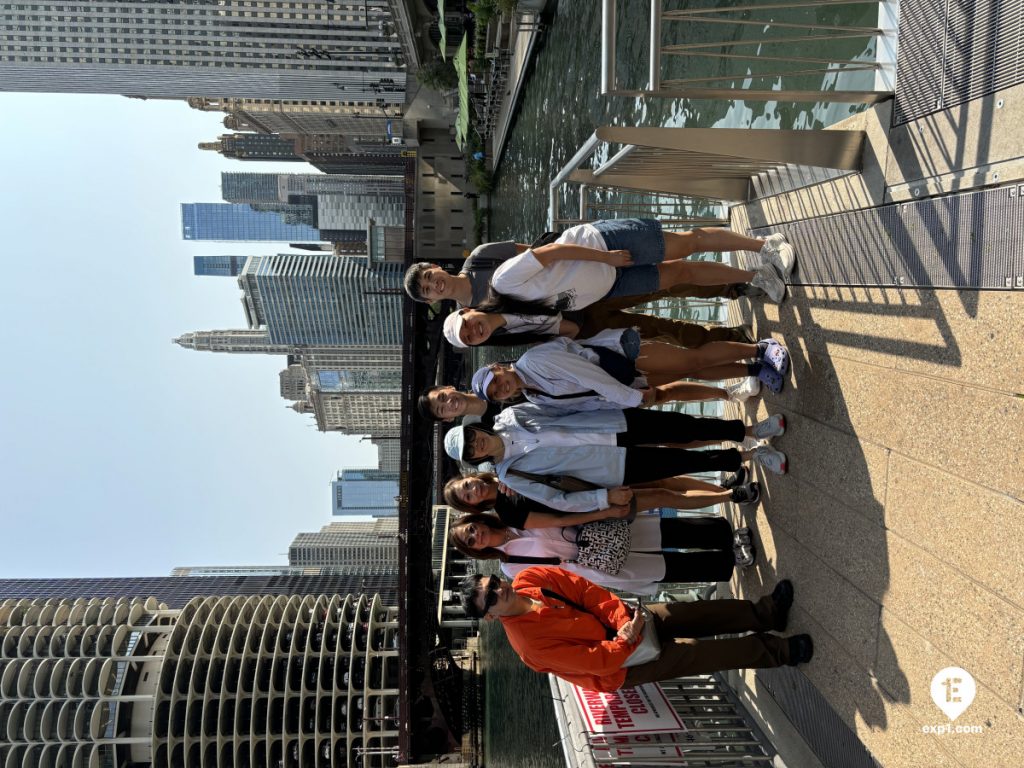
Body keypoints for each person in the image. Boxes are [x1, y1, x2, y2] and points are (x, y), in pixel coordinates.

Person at [403, 224, 782, 347]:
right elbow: (525, 331)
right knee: (652, 328)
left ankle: (738, 284)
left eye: (428, 278)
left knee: (672, 281)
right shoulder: (470, 326)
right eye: (426, 291)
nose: (433, 286)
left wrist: (594, 260)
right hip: (575, 308)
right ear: (429, 302)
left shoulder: (483, 259)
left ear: (435, 267)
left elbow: (536, 251)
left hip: (583, 269)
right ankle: (733, 337)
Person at [458, 568, 813, 692]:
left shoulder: (527, 579)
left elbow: (583, 590)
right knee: (699, 654)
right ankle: (781, 653)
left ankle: (767, 613)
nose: (496, 590)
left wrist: (621, 620)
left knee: (697, 613)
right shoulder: (527, 645)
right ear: (489, 617)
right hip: (620, 666)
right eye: (488, 599)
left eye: (490, 584)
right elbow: (591, 662)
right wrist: (626, 640)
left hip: (621, 619)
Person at [443, 404, 789, 512]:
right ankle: (751, 455)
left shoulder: (511, 416)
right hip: (609, 466)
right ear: (476, 461)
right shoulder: (510, 475)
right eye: (471, 451)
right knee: (684, 464)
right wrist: (602, 497)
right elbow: (558, 500)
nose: (478, 444)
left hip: (613, 422)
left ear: (477, 428)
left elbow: (559, 404)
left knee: (683, 426)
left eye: (472, 437)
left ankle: (749, 430)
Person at [448, 505, 753, 593]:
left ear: (477, 519)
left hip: (592, 529)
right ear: (476, 550)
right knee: (662, 568)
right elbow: (553, 581)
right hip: (588, 566)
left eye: (472, 528)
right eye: (471, 540)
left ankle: (726, 534)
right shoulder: (509, 566)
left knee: (661, 532)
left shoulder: (510, 515)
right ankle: (728, 563)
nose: (478, 535)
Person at [467, 327, 769, 408]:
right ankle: (754, 370)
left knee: (693, 360)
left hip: (625, 356)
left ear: (498, 367)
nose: (502, 388)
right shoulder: (534, 396)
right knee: (692, 371)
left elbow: (590, 376)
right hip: (627, 378)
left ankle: (759, 350)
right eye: (497, 394)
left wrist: (631, 399)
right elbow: (585, 399)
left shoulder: (533, 362)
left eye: (496, 380)